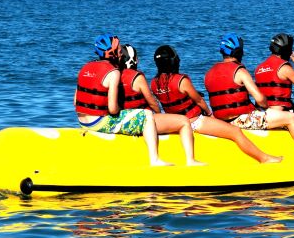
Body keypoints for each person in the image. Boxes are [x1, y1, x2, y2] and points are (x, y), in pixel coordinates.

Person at [74, 34, 201, 167]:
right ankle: (155, 159)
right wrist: (120, 112)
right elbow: (112, 109)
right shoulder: (113, 72)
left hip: (83, 122)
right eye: (118, 50)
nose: (121, 53)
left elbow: (75, 101)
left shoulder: (85, 67)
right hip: (99, 122)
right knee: (146, 115)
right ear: (112, 53)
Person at [204, 33, 294, 160]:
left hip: (222, 120)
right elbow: (260, 99)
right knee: (290, 117)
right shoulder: (240, 71)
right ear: (238, 52)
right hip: (242, 119)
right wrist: (265, 107)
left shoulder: (209, 73)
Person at [150, 45, 283, 164]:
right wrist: (209, 114)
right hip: (195, 121)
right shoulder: (181, 80)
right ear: (173, 61)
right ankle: (264, 158)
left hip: (175, 123)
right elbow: (199, 101)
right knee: (235, 132)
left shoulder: (153, 83)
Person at [117, 43, 205, 166]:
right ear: (134, 60)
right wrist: (160, 115)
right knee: (183, 121)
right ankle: (190, 160)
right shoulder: (136, 77)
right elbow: (152, 103)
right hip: (142, 121)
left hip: (123, 121)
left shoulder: (114, 75)